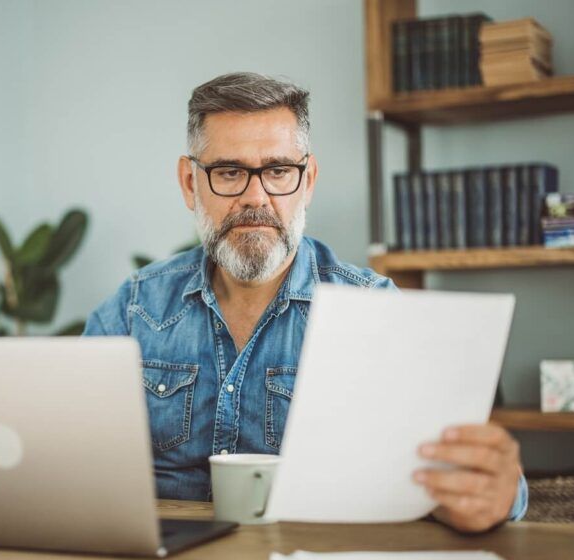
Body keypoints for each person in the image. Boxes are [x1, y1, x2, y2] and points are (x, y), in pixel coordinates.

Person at [84, 72, 527, 533]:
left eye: (278, 171)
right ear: (190, 183)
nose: (255, 197)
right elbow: (68, 454)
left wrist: (492, 492)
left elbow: (472, 481)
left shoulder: (376, 310)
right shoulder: (134, 307)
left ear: (308, 180)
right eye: (229, 172)